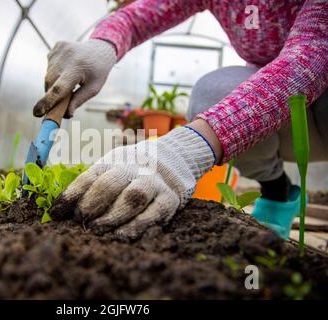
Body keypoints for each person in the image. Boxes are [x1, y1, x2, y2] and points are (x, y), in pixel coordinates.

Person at [33, 0, 328, 240]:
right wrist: (102, 45)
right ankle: (277, 191)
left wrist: (186, 148)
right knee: (212, 92)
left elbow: (313, 54)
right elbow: (138, 17)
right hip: (277, 109)